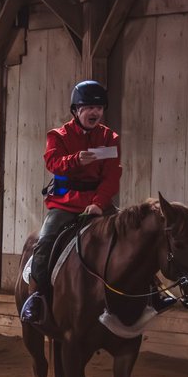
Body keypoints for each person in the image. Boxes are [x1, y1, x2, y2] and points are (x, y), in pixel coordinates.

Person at [19, 80, 121, 327]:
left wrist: (98, 203)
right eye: (88, 107)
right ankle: (37, 297)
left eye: (99, 108)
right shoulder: (58, 136)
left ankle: (149, 296)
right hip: (65, 203)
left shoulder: (110, 137)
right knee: (44, 242)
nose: (94, 112)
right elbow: (53, 163)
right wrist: (76, 160)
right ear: (76, 110)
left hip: (99, 203)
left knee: (130, 234)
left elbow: (112, 176)